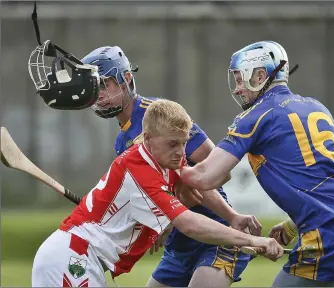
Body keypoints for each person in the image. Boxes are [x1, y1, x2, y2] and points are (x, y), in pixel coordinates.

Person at [31, 99, 283, 287]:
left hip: (84, 258)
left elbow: (194, 185)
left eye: (184, 142)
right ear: (148, 139)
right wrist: (254, 241)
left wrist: (232, 216)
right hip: (72, 257)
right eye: (173, 144)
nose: (181, 152)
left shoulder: (162, 161)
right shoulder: (139, 170)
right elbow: (190, 224)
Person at [179, 40, 334, 287]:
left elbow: (206, 176)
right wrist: (292, 225)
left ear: (260, 75)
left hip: (326, 236)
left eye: (241, 79)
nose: (237, 88)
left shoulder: (256, 115)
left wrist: (163, 163)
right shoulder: (317, 107)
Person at [80, 46, 260, 287]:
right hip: (179, 247)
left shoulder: (160, 115)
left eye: (105, 84)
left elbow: (219, 172)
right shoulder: (122, 142)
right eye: (95, 87)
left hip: (217, 235)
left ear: (126, 79)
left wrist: (175, 206)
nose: (99, 94)